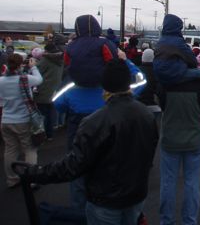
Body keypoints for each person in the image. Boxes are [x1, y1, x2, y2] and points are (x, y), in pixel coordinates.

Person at [23, 59, 159, 225]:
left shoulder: (95, 121)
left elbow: (74, 165)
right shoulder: (146, 115)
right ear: (128, 82)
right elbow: (149, 152)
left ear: (104, 84)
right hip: (136, 195)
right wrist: (125, 60)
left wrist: (37, 173)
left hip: (105, 200)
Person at [157, 16, 200, 225]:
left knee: (167, 183)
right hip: (193, 139)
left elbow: (162, 106)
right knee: (191, 183)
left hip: (170, 138)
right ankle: (189, 221)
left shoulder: (164, 85)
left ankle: (166, 221)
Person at [0, 54, 42, 188]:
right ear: (20, 65)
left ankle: (12, 179)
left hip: (6, 120)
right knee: (29, 150)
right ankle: (31, 180)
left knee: (10, 150)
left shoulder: (1, 81)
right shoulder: (25, 79)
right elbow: (39, 80)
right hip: (23, 120)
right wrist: (34, 67)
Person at [33, 43, 64, 141]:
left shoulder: (45, 60)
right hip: (55, 90)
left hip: (43, 91)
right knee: (52, 113)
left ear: (46, 51)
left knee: (43, 114)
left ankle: (43, 134)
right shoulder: (61, 59)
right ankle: (50, 134)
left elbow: (36, 72)